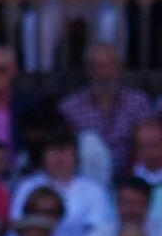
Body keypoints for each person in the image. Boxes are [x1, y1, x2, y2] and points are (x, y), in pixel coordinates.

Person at [58, 40, 154, 179]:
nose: (104, 74)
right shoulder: (70, 107)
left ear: (119, 68)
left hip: (133, 178)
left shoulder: (139, 103)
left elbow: (150, 143)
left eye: (110, 66)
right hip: (86, 180)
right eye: (97, 67)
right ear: (88, 71)